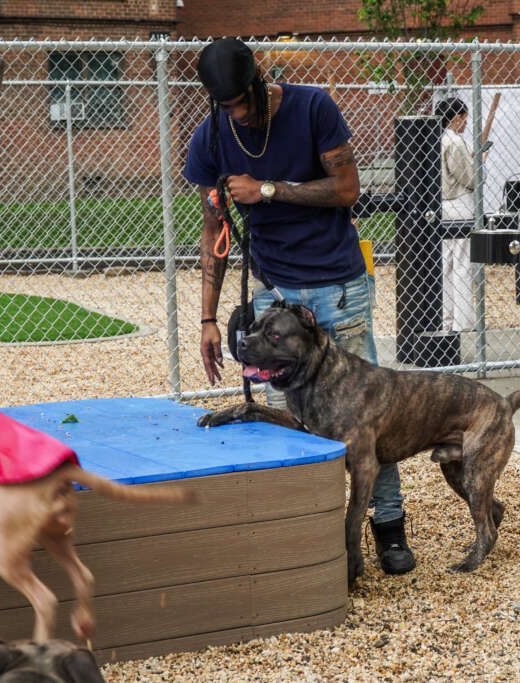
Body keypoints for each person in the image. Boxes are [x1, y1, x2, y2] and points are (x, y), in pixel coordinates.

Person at [183, 38, 415, 576]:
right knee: (285, 418)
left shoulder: (313, 106)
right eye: (227, 106)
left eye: (243, 101)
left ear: (258, 82)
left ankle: (389, 528)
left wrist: (266, 190)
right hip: (274, 296)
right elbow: (212, 226)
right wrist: (207, 318)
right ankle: (303, 528)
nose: (238, 113)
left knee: (364, 418)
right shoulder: (212, 135)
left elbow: (348, 188)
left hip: (339, 286)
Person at [435, 97, 480, 332]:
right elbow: (469, 179)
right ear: (457, 117)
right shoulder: (455, 141)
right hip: (459, 202)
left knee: (446, 265)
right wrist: (477, 165)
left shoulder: (434, 138)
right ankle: (464, 321)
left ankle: (447, 318)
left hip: (441, 205)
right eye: (464, 118)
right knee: (463, 264)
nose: (465, 123)